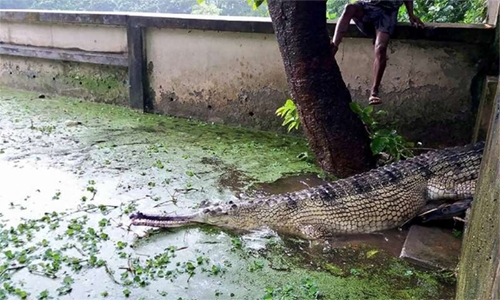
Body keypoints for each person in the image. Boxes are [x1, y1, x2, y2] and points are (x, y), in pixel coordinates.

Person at [331, 0, 424, 105]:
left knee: (380, 48)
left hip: (387, 13)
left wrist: (411, 15)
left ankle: (374, 92)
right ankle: (334, 46)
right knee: (349, 8)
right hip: (368, 7)